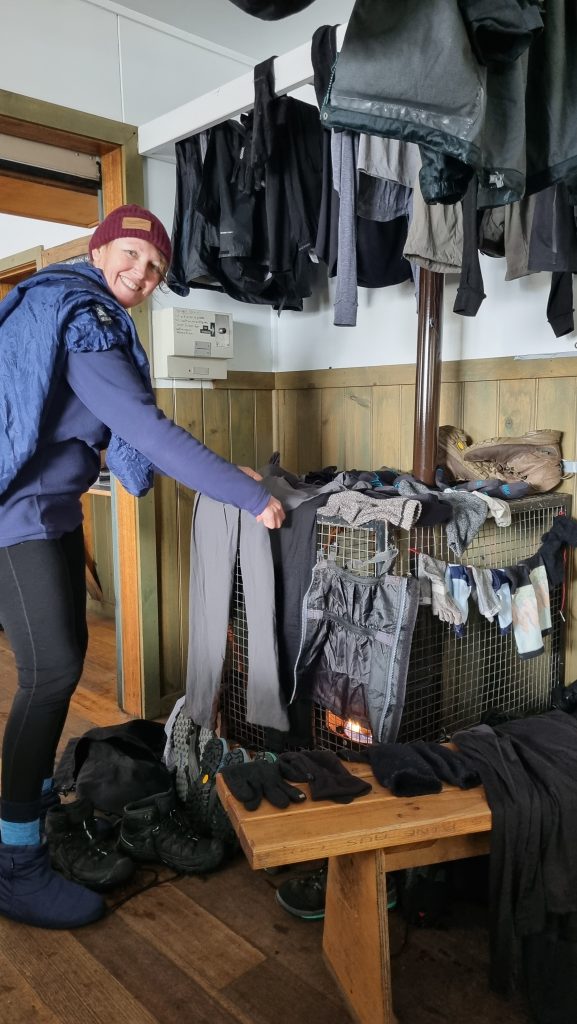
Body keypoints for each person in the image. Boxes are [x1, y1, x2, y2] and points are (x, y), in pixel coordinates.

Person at [0, 203, 285, 929]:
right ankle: (15, 862)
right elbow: (148, 432)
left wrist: (235, 477)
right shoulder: (85, 320)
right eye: (130, 255)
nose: (142, 273)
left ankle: (25, 818)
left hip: (52, 512)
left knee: (53, 672)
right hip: (16, 518)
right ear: (99, 253)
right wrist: (250, 496)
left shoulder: (77, 309)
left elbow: (110, 426)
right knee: (53, 671)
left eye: (156, 267)